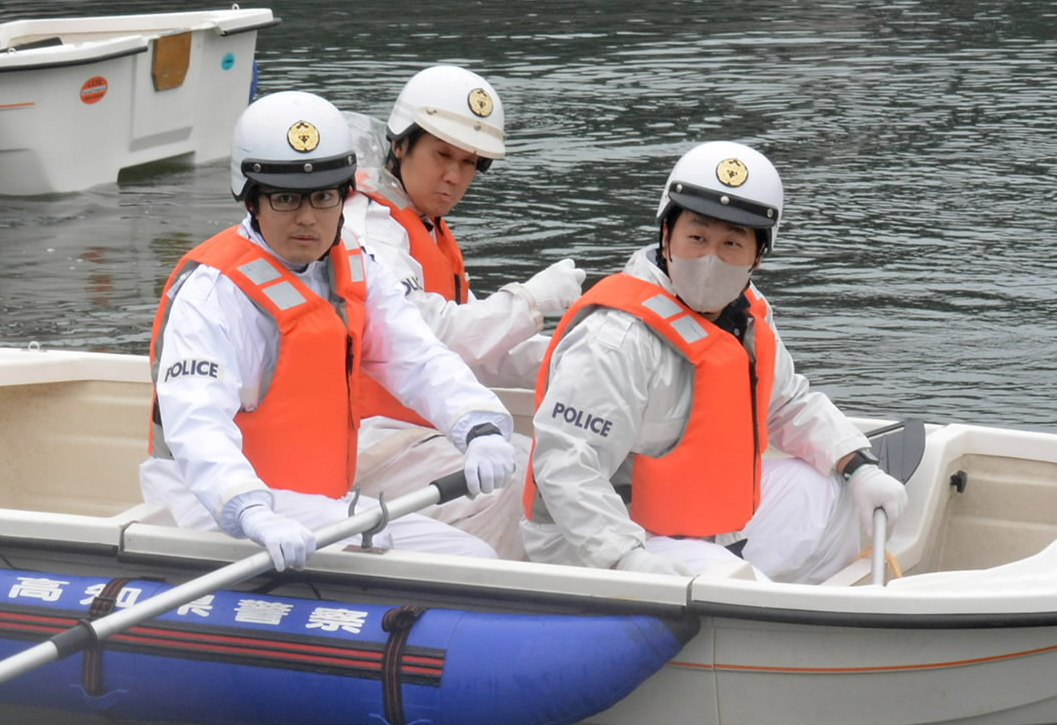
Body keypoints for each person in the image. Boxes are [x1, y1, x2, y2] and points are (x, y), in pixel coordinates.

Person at [142, 89, 520, 566]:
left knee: (469, 555)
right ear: (251, 199)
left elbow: (418, 358)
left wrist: (478, 424)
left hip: (313, 502)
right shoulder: (214, 292)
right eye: (285, 199)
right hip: (217, 505)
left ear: (345, 194)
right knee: (460, 563)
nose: (307, 218)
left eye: (323, 197)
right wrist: (250, 508)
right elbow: (197, 423)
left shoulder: (356, 266)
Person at [522, 141, 908, 581]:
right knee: (735, 585)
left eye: (732, 244)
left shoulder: (743, 315)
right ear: (666, 235)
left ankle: (805, 607)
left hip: (708, 529)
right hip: (609, 540)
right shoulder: (617, 338)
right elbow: (565, 463)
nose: (710, 259)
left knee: (832, 489)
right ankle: (769, 620)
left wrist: (857, 464)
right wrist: (625, 556)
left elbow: (786, 404)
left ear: (758, 256)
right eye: (698, 237)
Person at [342, 65, 585, 559]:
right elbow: (428, 332)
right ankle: (483, 599)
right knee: (510, 477)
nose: (454, 176)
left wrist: (568, 357)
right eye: (442, 155)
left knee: (546, 459)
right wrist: (531, 301)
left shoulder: (423, 226)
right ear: (401, 144)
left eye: (469, 163)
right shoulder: (369, 226)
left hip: (419, 428)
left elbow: (480, 347)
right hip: (367, 440)